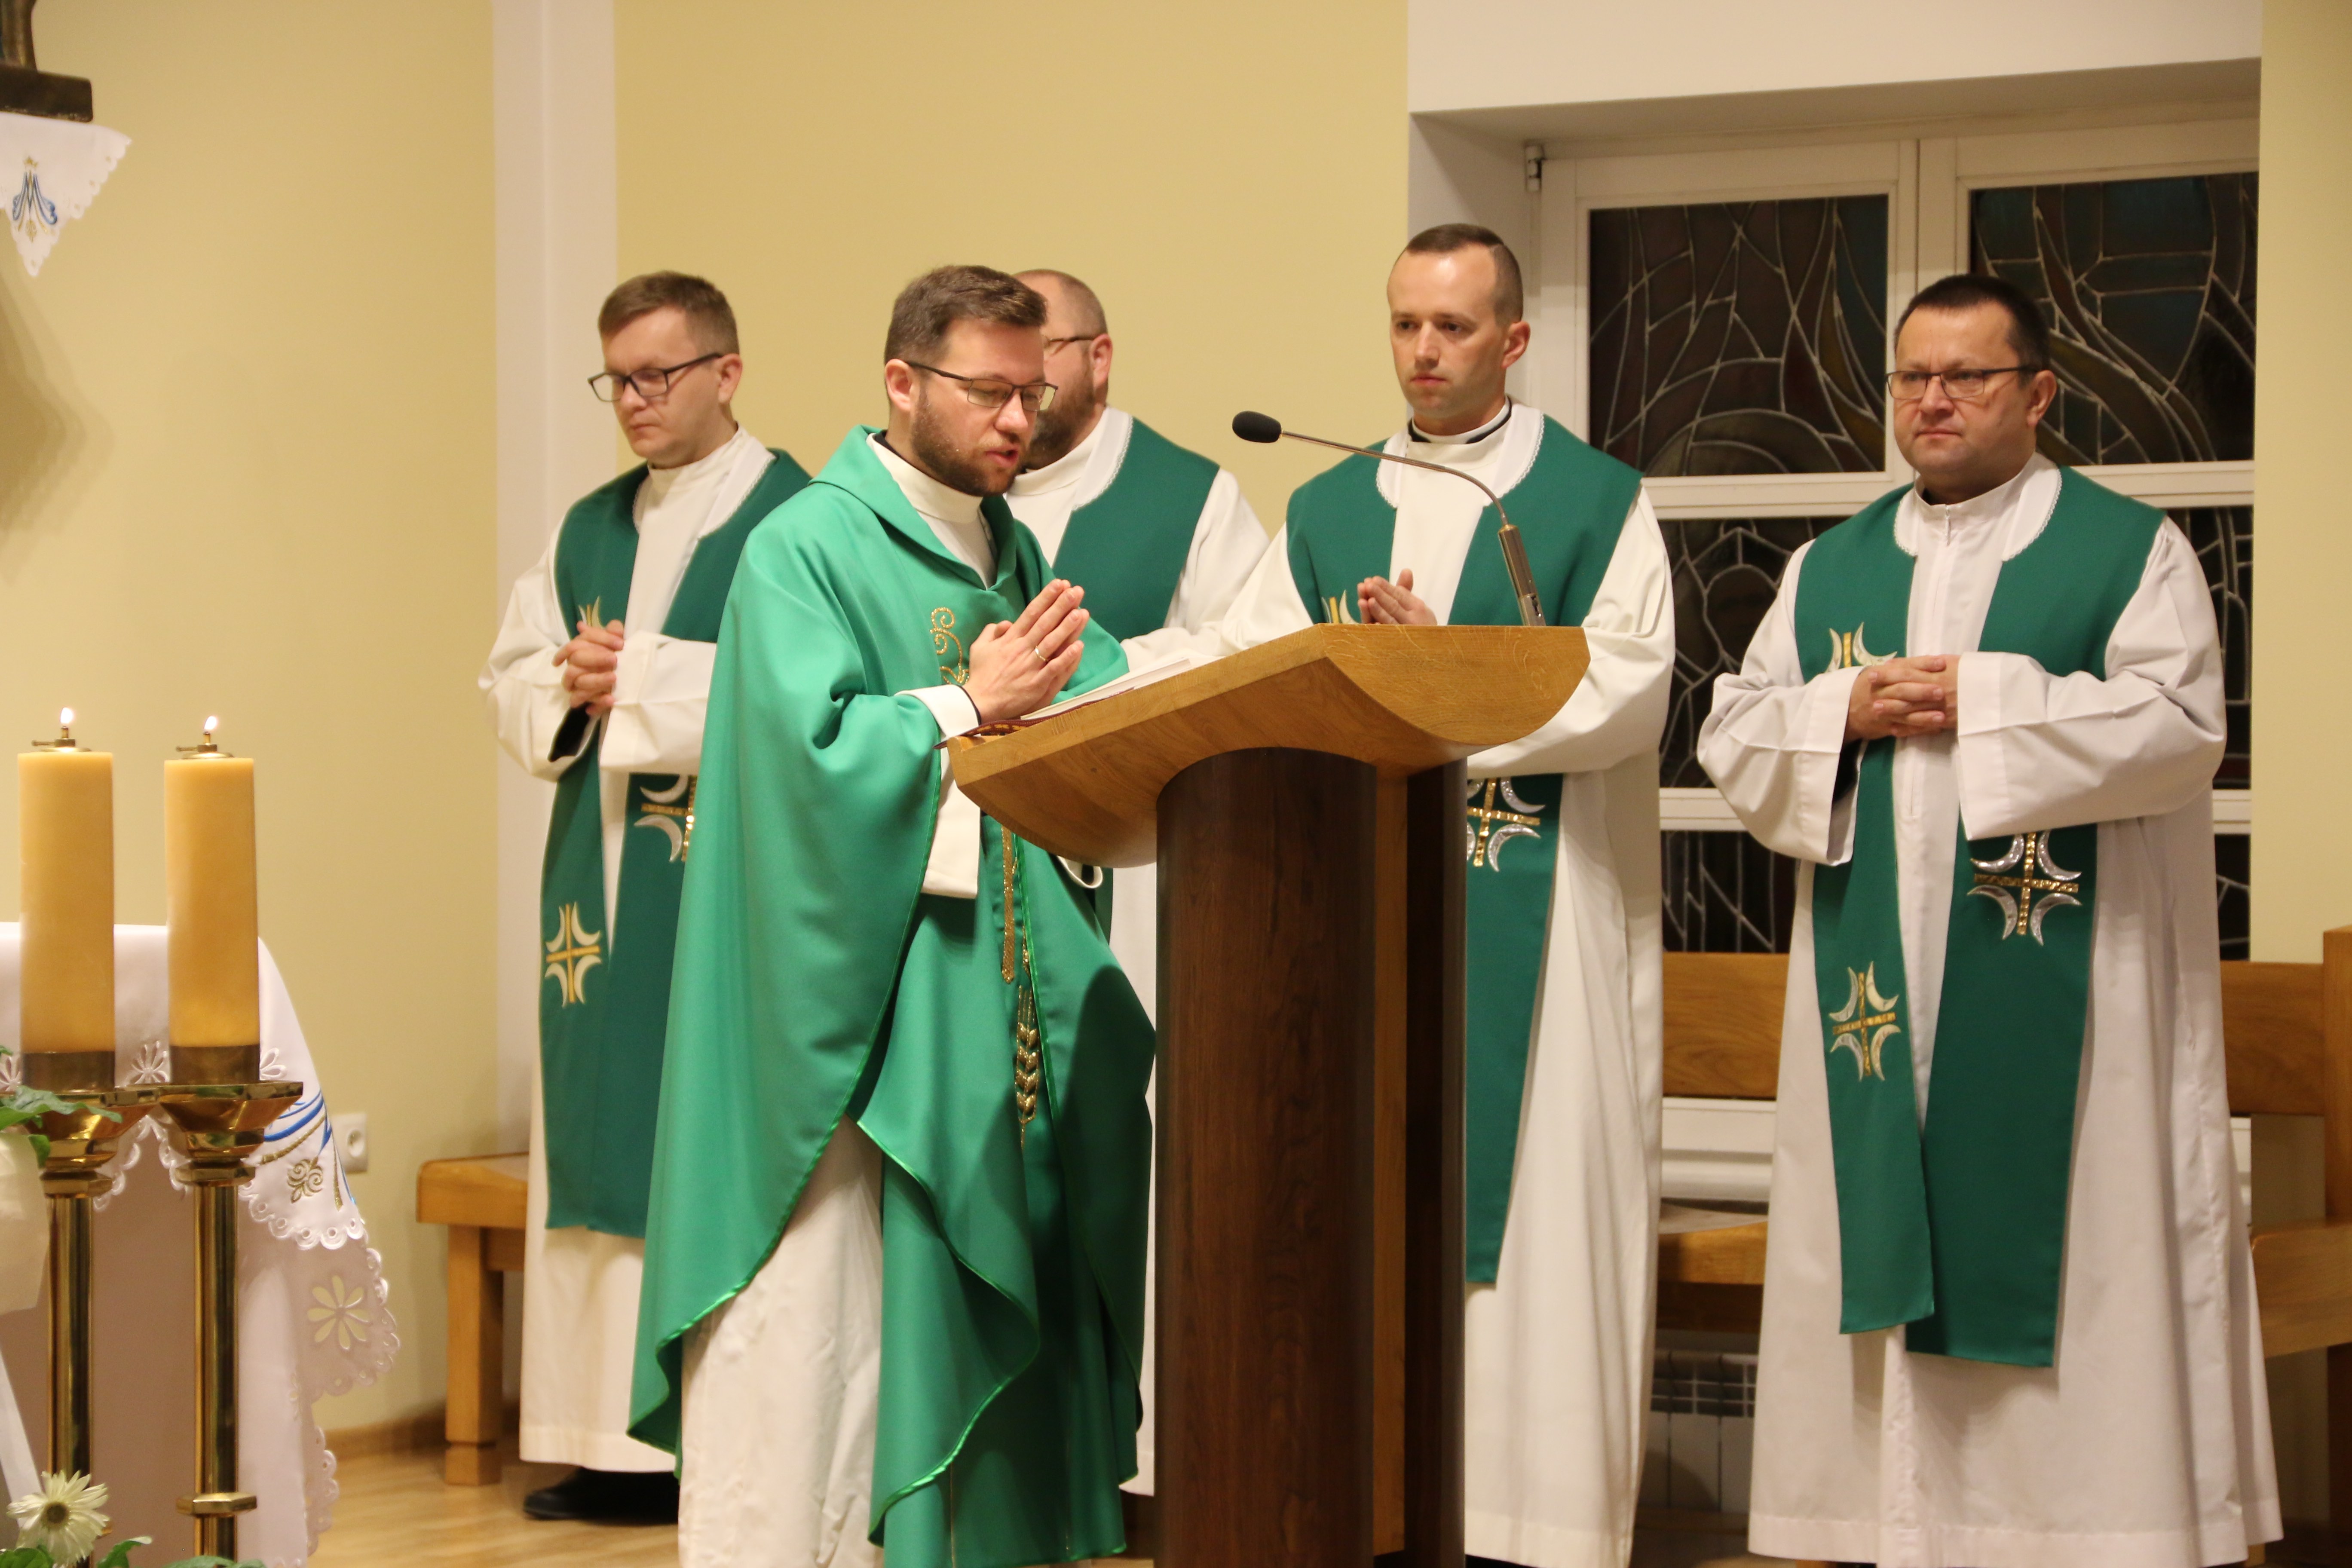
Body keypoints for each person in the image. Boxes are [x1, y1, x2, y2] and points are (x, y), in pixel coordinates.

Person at [1697, 272, 2276, 1568]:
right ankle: (1893, 1529)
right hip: (1877, 1006)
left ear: (2040, 393)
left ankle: (2091, 1534)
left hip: (2067, 1009)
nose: (1935, 400)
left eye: (1968, 376)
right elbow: (1734, 732)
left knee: (2074, 1250)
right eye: (1913, 377)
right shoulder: (1830, 565)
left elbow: (2184, 729)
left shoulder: (2130, 550)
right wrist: (1842, 711)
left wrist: (1991, 700)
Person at [629, 265, 1155, 1568]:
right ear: (903, 383)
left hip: (978, 1010)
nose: (1018, 422)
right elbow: (798, 766)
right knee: (827, 1343)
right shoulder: (805, 547)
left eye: (1033, 395)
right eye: (989, 393)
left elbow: (1060, 714)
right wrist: (969, 705)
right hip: (848, 1045)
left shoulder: (1007, 546)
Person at [1217, 223, 1672, 1568]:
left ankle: (1538, 1526)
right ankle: (1373, 1504)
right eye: (1405, 323)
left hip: (1545, 918)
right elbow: (1251, 668)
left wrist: (1444, 677)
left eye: (1454, 327)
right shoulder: (1329, 503)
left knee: (1541, 1218)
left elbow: (1633, 687)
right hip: (1357, 919)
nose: (1423, 351)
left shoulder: (1593, 500)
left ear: (1514, 340)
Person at [479, 270, 808, 1523]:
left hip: (730, 881)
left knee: (703, 1137)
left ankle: (709, 1441)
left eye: (658, 375)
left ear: (728, 372)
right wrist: (566, 681)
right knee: (597, 1130)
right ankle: (599, 1440)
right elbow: (507, 676)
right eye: (616, 379)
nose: (634, 401)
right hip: (598, 878)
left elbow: (820, 685)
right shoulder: (586, 530)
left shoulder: (798, 518)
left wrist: (651, 678)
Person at [1007, 266, 1267, 1014]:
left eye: (1039, 349)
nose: (1020, 380)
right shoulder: (959, 497)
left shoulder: (1190, 497)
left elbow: (1245, 659)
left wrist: (1107, 670)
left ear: (1100, 358)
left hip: (1136, 865)